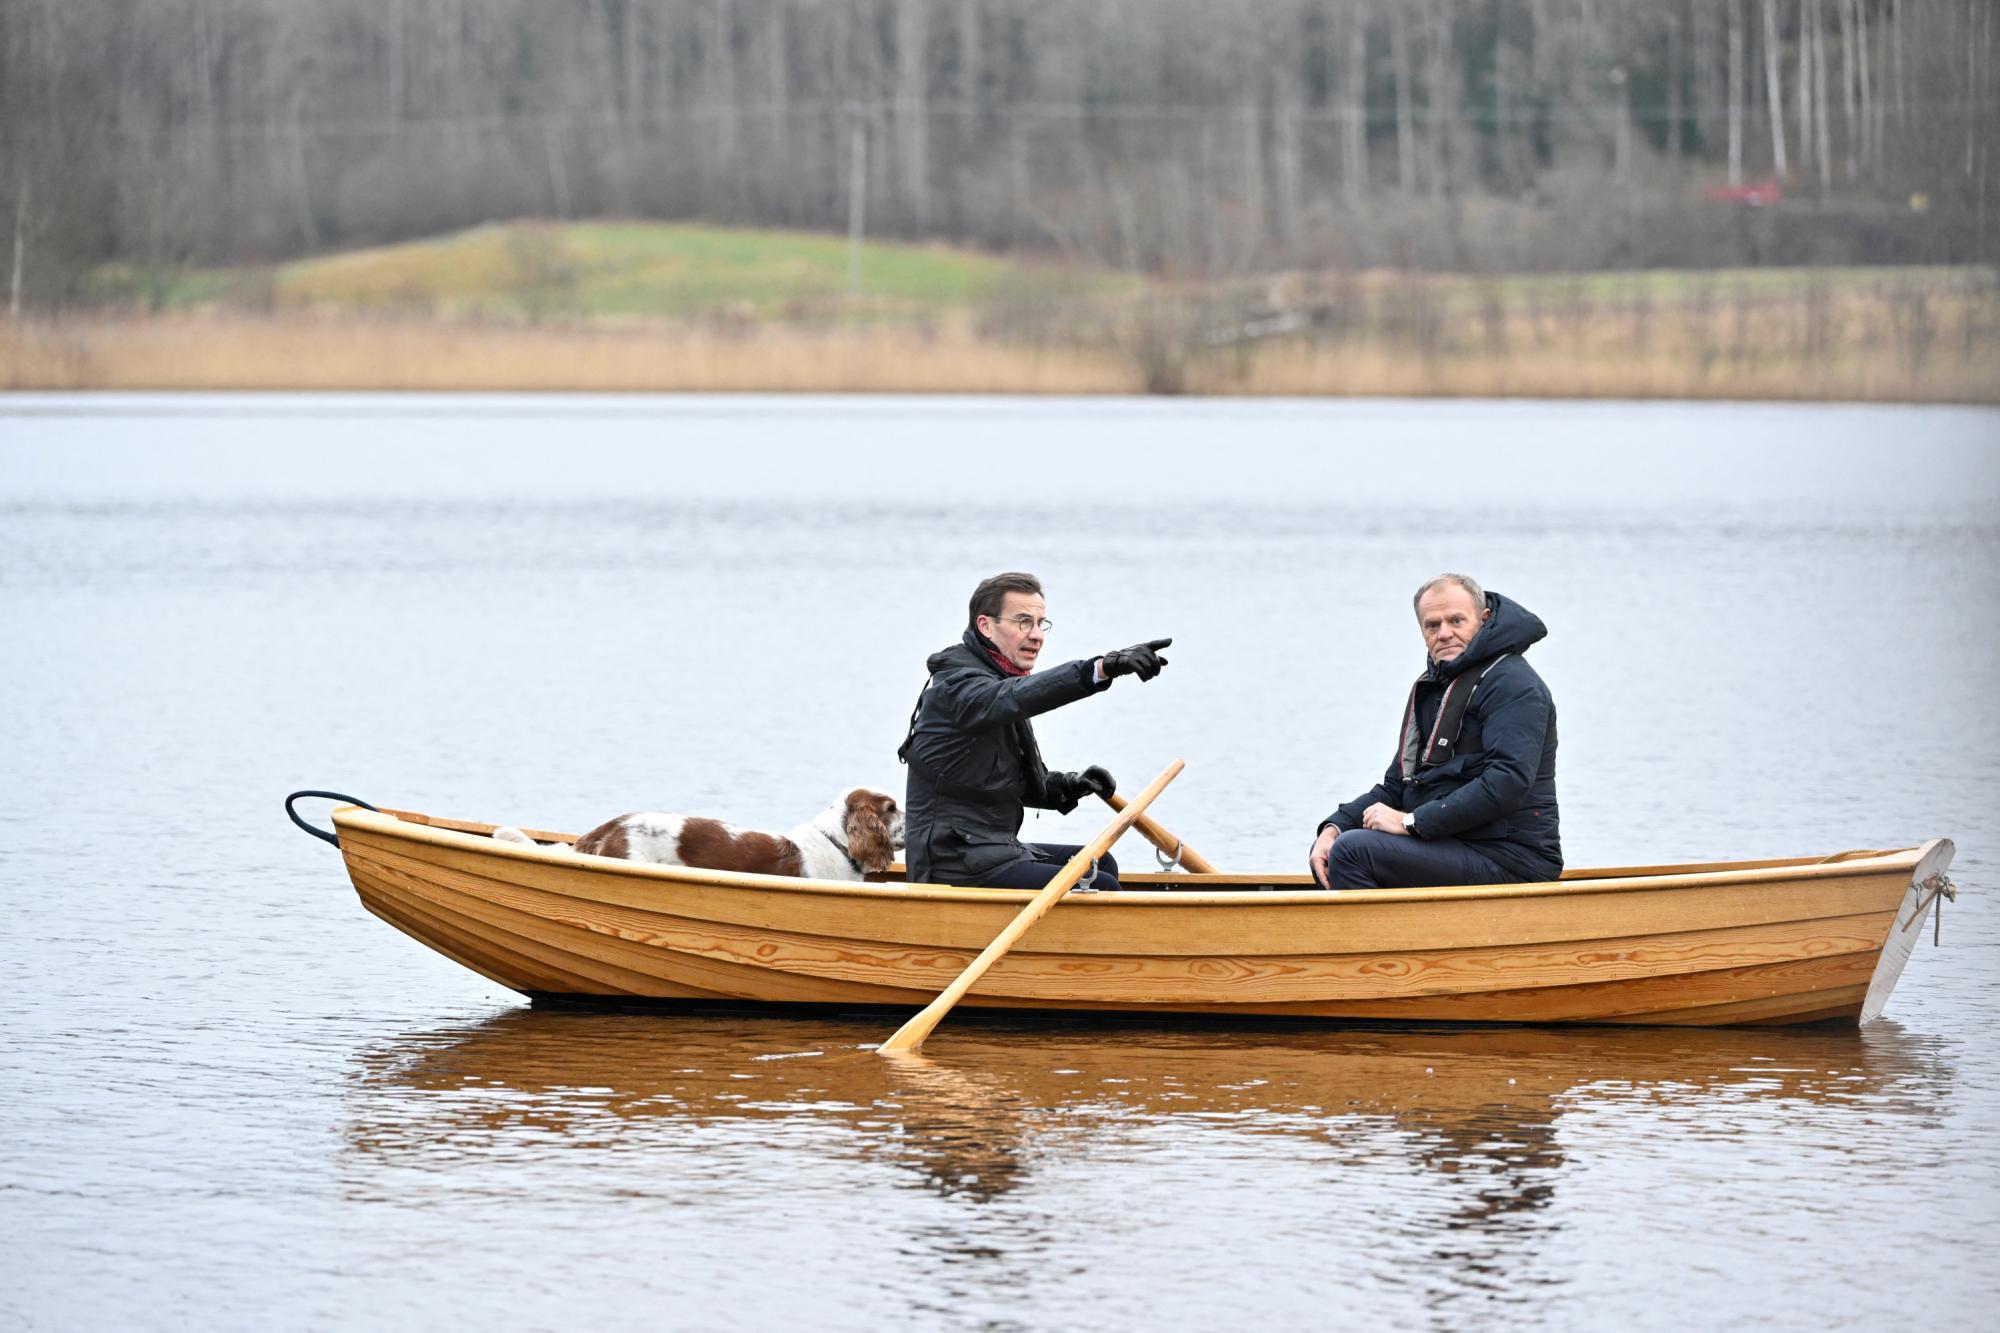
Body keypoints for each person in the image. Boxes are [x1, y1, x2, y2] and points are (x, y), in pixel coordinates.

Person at [900, 571, 1172, 891]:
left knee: (1101, 862)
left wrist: (1069, 785)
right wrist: (1101, 668)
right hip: (953, 861)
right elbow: (1018, 696)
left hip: (990, 849)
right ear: (985, 625)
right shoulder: (960, 687)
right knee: (1103, 885)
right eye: (1022, 622)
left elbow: (1013, 783)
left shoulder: (996, 679)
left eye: (1041, 624)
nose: (1036, 635)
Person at [1309, 573, 1560, 890]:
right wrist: (1333, 829)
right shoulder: (1434, 689)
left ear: (1483, 620)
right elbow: (1398, 785)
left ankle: (1375, 939)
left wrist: (1410, 822)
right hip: (1452, 846)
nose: (1444, 633)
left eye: (1457, 621)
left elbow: (1507, 781)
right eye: (1432, 625)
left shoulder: (1514, 685)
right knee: (1337, 848)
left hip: (1513, 860)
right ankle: (1383, 935)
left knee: (1355, 852)